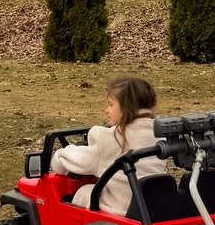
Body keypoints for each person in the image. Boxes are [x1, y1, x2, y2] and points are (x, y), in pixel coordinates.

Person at [49, 75, 169, 217]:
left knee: (85, 191)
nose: (106, 109)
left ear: (126, 108)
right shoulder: (158, 135)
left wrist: (58, 157)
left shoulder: (110, 138)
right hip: (151, 205)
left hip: (120, 208)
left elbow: (77, 160)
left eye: (111, 104)